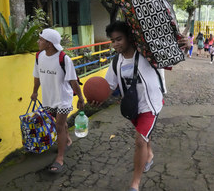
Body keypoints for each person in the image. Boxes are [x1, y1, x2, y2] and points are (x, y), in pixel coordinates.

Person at [94, 21, 189, 191]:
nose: (115, 44)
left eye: (119, 39)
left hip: (150, 105)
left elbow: (171, 58)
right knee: (144, 135)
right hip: (132, 107)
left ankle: (135, 183)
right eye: (113, 40)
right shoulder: (117, 61)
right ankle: (149, 154)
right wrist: (97, 98)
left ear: (129, 37)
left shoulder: (147, 54)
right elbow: (109, 86)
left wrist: (184, 45)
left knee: (139, 141)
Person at [31, 28, 85, 173]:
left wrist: (80, 98)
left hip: (63, 99)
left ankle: (60, 158)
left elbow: (73, 81)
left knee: (58, 126)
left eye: (41, 39)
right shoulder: (39, 56)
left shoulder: (63, 59)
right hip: (48, 98)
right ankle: (67, 140)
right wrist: (35, 91)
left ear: (49, 44)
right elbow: (37, 76)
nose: (38, 41)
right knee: (59, 122)